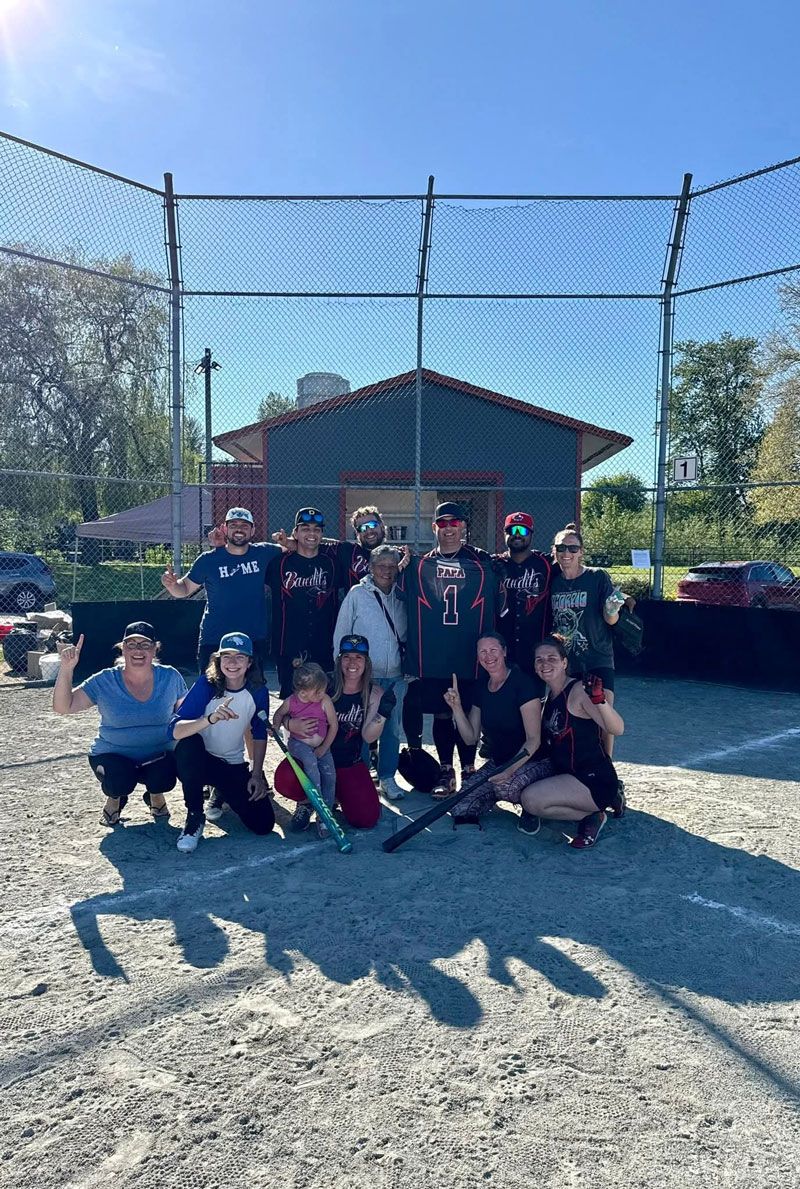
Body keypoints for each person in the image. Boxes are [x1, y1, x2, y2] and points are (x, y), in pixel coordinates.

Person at [401, 501, 498, 797]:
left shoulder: (481, 562)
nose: (449, 529)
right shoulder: (421, 566)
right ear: (434, 528)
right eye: (442, 524)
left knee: (467, 714)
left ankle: (468, 768)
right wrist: (403, 565)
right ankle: (446, 769)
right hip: (436, 655)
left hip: (469, 654)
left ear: (464, 527)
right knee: (443, 714)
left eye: (455, 524)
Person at [53, 622, 187, 827]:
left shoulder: (170, 676)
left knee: (165, 775)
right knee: (119, 780)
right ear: (122, 648)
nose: (138, 650)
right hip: (112, 754)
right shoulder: (104, 680)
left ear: (155, 649)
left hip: (157, 754)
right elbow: (63, 706)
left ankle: (155, 795)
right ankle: (114, 799)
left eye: (145, 645)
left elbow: (185, 715)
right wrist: (66, 669)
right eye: (131, 644)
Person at [274, 635, 396, 831]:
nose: (352, 663)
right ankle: (307, 802)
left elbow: (368, 737)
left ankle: (336, 797)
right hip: (313, 756)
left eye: (359, 657)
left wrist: (382, 714)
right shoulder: (323, 683)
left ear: (367, 662)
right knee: (285, 779)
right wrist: (289, 723)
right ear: (339, 660)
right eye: (347, 657)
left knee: (366, 818)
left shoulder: (374, 693)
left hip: (348, 762)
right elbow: (287, 708)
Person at [516, 635, 625, 849]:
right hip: (569, 775)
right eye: (539, 659)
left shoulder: (578, 692)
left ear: (564, 662)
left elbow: (617, 728)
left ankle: (593, 815)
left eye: (551, 658)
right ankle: (594, 807)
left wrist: (599, 700)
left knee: (530, 800)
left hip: (592, 779)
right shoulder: (551, 695)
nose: (545, 663)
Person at [170, 632, 274, 853]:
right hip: (198, 762)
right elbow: (176, 731)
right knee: (189, 744)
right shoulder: (206, 685)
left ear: (250, 662)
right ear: (218, 660)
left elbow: (259, 733)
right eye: (226, 656)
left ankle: (222, 791)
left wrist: (256, 774)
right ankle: (195, 817)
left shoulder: (258, 692)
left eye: (240, 656)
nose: (233, 662)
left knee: (263, 824)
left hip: (230, 764)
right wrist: (210, 719)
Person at [443, 632, 552, 826]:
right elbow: (470, 738)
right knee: (461, 805)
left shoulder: (523, 683)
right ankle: (493, 794)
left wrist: (509, 771)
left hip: (534, 760)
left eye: (493, 650)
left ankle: (533, 805)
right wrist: (457, 708)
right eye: (482, 651)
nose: (488, 656)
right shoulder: (481, 686)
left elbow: (534, 740)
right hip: (499, 761)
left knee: (506, 788)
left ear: (504, 652)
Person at [160, 507, 281, 673]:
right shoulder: (208, 560)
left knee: (253, 691)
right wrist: (172, 585)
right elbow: (185, 588)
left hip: (252, 637)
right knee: (210, 691)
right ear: (225, 529)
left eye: (245, 526)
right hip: (215, 638)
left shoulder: (264, 552)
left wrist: (286, 540)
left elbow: (295, 547)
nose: (239, 529)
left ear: (252, 530)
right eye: (233, 525)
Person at [333, 543, 407, 800]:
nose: (386, 570)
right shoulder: (357, 594)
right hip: (363, 674)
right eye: (381, 565)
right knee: (360, 728)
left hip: (396, 673)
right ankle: (361, 774)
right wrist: (340, 669)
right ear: (370, 567)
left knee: (392, 728)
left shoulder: (404, 592)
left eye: (391, 565)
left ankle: (387, 776)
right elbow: (342, 632)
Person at [548, 522, 626, 757]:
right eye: (561, 548)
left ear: (581, 551)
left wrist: (613, 609)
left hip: (597, 657)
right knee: (571, 716)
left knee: (604, 715)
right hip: (567, 662)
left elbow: (610, 620)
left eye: (573, 549)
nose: (567, 554)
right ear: (554, 551)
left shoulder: (596, 577)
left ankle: (608, 770)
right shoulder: (553, 581)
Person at [266, 507, 339, 697]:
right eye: (305, 528)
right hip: (288, 645)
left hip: (324, 644)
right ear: (295, 533)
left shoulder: (331, 562)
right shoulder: (278, 563)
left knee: (324, 699)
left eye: (317, 529)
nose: (311, 533)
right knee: (292, 701)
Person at [272, 660, 338, 837]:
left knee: (330, 777)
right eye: (317, 691)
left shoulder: (324, 700)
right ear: (302, 692)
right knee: (310, 764)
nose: (322, 694)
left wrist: (324, 747)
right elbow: (278, 713)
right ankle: (313, 801)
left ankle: (326, 815)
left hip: (322, 747)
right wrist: (276, 726)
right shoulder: (291, 701)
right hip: (299, 744)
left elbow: (334, 725)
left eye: (323, 690)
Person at [494, 511, 553, 687]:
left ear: (531, 534)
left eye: (523, 530)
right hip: (503, 648)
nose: (517, 535)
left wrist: (617, 595)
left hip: (535, 649)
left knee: (534, 704)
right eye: (512, 530)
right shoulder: (494, 565)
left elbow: (577, 571)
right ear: (504, 534)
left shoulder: (547, 564)